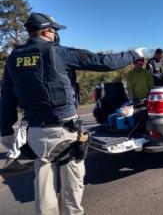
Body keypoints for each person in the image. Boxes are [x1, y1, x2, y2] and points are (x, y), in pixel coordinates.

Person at [0, 12, 144, 215]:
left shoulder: (14, 58)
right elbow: (103, 62)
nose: (55, 34)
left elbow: (6, 97)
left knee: (43, 190)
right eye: (54, 30)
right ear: (46, 31)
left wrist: (6, 130)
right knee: (72, 190)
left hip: (35, 133)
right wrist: (133, 54)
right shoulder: (59, 53)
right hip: (65, 132)